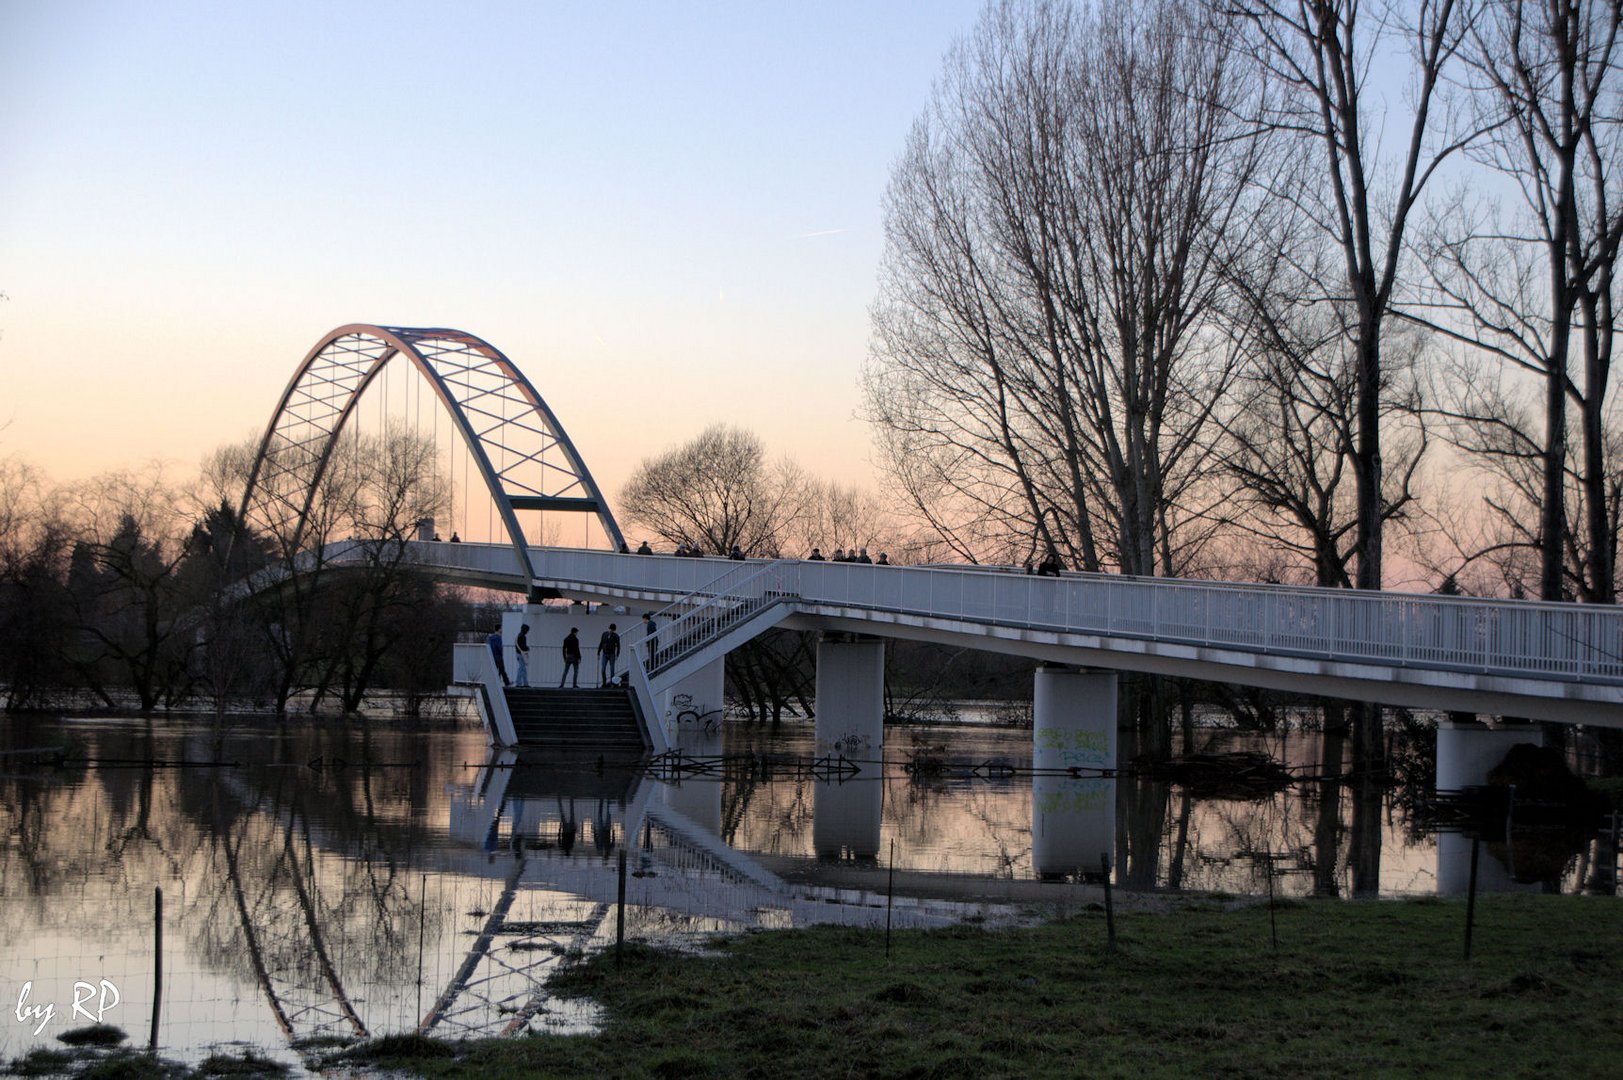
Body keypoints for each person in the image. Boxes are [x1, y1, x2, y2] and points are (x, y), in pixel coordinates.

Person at [597, 622, 621, 686]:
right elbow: (601, 643)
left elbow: (618, 646)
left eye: (612, 630)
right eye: (610, 629)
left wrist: (617, 654)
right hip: (604, 654)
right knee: (603, 669)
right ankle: (604, 682)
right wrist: (598, 653)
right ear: (609, 628)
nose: (610, 631)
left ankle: (612, 683)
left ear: (614, 630)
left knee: (612, 670)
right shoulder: (604, 634)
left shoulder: (616, 636)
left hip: (612, 654)